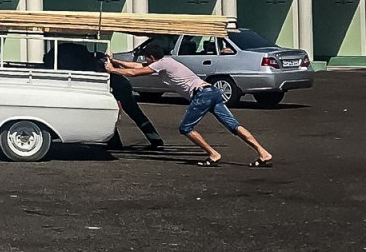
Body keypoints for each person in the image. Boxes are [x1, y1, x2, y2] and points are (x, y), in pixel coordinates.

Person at [104, 43, 273, 168]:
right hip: (212, 91)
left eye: (146, 58)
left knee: (185, 128)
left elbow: (134, 72)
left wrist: (112, 70)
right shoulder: (166, 61)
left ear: (151, 58)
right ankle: (263, 152)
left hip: (201, 95)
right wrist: (115, 61)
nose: (145, 61)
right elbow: (136, 66)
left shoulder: (161, 64)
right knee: (234, 126)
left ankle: (213, 154)